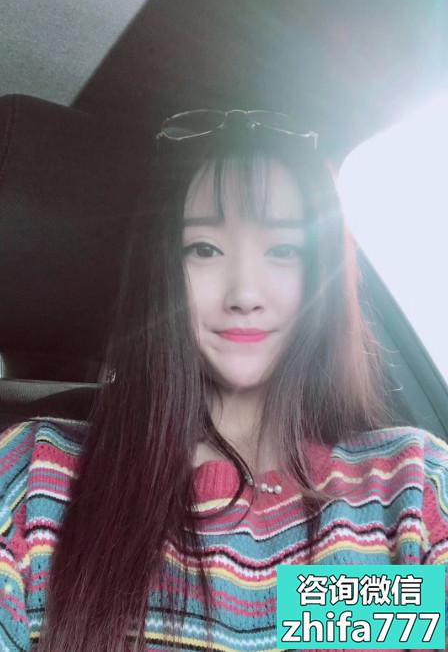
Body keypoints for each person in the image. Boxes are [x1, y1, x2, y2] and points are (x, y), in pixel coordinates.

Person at [0, 109, 447, 652]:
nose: (245, 294)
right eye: (204, 249)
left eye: (283, 250)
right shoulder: (33, 479)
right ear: (163, 272)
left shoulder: (410, 488)